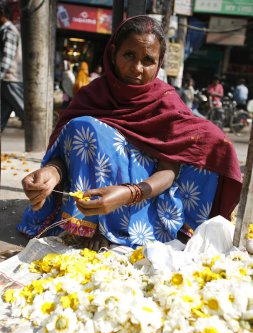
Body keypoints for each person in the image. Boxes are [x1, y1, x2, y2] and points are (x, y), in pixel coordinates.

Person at [19, 15, 242, 252]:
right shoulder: (92, 95)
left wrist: (129, 193)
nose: (137, 68)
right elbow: (67, 151)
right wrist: (52, 172)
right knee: (82, 127)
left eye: (148, 60)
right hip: (96, 192)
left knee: (209, 142)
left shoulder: (167, 102)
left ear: (159, 64)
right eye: (129, 55)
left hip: (147, 193)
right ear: (114, 53)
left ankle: (172, 229)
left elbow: (169, 170)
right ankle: (91, 227)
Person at [0, 0, 24, 132]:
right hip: (7, 80)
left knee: (28, 114)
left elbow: (6, 59)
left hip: (10, 80)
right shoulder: (5, 30)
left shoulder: (9, 31)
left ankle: (52, 146)